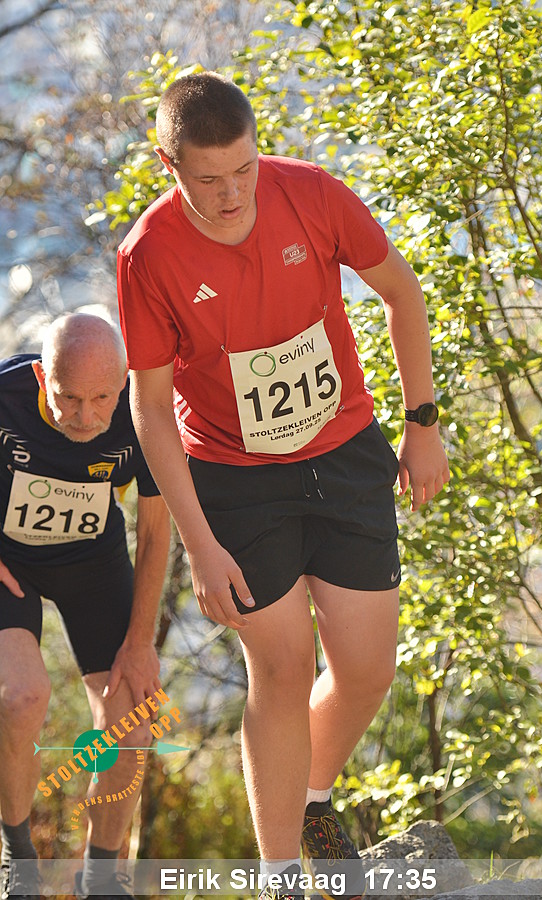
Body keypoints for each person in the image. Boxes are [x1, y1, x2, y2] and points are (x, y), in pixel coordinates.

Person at [117, 72, 449, 900]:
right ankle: (280, 878)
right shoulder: (148, 254)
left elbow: (402, 291)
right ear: (168, 164)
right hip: (235, 478)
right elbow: (150, 410)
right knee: (283, 665)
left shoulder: (313, 194)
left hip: (343, 451)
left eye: (244, 169)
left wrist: (423, 423)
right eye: (209, 180)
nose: (232, 194)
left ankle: (309, 797)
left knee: (368, 668)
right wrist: (199, 544)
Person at [0, 313, 171, 900]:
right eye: (68, 397)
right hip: (9, 565)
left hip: (92, 566)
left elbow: (155, 534)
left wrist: (140, 642)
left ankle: (101, 878)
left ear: (123, 382)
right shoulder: (6, 395)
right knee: (21, 698)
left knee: (134, 725)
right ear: (41, 377)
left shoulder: (144, 411)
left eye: (101, 398)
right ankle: (18, 857)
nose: (86, 417)